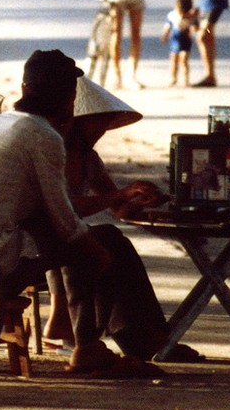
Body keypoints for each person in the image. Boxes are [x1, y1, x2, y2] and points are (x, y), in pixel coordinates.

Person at [0, 50, 166, 375]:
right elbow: (65, 220)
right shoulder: (43, 136)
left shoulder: (3, 121)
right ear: (69, 101)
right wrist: (94, 251)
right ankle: (88, 347)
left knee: (98, 240)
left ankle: (112, 341)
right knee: (93, 246)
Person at [40, 77, 202, 364]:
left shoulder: (89, 159)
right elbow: (64, 207)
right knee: (105, 240)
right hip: (43, 234)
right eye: (97, 122)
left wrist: (144, 202)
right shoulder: (54, 151)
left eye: (106, 123)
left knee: (116, 241)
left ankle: (145, 336)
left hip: (69, 230)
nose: (102, 130)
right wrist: (121, 194)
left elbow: (118, 208)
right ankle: (135, 337)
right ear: (78, 120)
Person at [160, 0, 199, 87]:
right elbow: (168, 26)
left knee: (184, 59)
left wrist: (193, 24)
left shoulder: (191, 17)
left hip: (185, 40)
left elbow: (196, 28)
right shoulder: (172, 15)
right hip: (175, 40)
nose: (182, 14)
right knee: (174, 60)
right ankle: (173, 78)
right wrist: (165, 35)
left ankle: (186, 79)